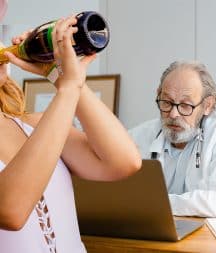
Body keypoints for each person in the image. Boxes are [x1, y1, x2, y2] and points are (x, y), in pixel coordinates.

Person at [0, 16, 141, 252]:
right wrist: (68, 89)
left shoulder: (33, 125)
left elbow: (123, 162)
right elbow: (11, 210)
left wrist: (61, 76)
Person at [129, 61, 216, 217]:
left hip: (207, 236)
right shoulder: (138, 136)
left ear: (207, 105)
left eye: (185, 105)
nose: (173, 114)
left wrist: (159, 203)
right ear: (158, 94)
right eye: (167, 102)